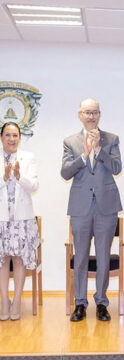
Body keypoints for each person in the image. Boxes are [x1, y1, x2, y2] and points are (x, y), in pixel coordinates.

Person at [61, 98, 122, 322]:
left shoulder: (111, 139)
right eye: (87, 112)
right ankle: (80, 303)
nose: (91, 116)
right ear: (80, 114)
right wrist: (85, 154)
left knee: (104, 257)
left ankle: (102, 303)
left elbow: (117, 167)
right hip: (80, 207)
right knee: (81, 258)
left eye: (95, 112)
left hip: (106, 206)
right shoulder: (70, 141)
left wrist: (99, 149)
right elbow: (65, 173)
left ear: (99, 114)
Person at [0, 122, 39, 321]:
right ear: (1, 137)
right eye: (8, 135)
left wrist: (18, 176)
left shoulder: (28, 157)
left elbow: (34, 185)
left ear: (19, 138)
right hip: (2, 218)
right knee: (3, 260)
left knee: (19, 259)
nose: (12, 139)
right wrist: (4, 177)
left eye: (15, 135)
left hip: (22, 218)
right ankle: (3, 300)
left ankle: (16, 301)